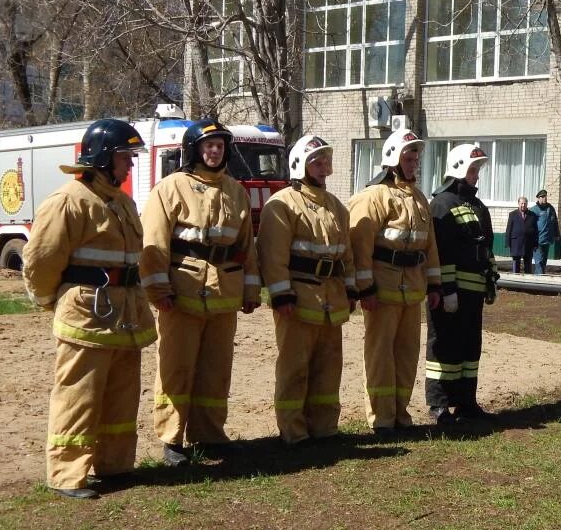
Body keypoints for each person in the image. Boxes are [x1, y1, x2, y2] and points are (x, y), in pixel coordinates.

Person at [23, 119, 158, 499]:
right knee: (78, 397)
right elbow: (41, 260)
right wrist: (52, 301)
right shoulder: (69, 200)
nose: (130, 166)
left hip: (124, 316)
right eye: (124, 157)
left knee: (121, 395)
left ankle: (114, 466)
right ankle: (67, 474)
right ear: (101, 158)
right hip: (86, 315)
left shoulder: (122, 201)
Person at [140, 119, 260, 466]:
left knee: (216, 369)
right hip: (182, 295)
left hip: (224, 296)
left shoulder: (235, 190)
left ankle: (209, 434)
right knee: (176, 368)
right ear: (194, 150)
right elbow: (155, 244)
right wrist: (158, 289)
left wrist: (251, 289)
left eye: (220, 146)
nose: (214, 151)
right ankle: (172, 440)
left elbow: (246, 247)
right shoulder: (171, 188)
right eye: (208, 146)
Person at [257, 135, 356, 446]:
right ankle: (294, 432)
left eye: (326, 160)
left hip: (331, 301)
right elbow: (273, 256)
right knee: (294, 369)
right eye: (317, 160)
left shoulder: (337, 206)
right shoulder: (281, 204)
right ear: (300, 164)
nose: (323, 166)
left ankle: (325, 429)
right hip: (298, 302)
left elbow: (347, 255)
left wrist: (351, 290)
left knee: (329, 369)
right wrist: (281, 294)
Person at [348, 129, 442, 434]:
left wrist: (435, 285)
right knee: (380, 357)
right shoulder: (373, 197)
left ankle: (401, 414)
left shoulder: (418, 198)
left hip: (411, 292)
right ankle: (381, 419)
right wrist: (366, 288)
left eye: (416, 157)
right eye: (408, 157)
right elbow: (359, 247)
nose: (414, 162)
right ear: (392, 160)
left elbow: (430, 248)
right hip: (382, 292)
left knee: (405, 357)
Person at [426, 143, 499, 426]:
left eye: (478, 169)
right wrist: (447, 289)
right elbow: (440, 251)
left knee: (470, 347)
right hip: (451, 292)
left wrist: (490, 281)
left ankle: (466, 402)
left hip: (474, 292)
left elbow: (487, 247)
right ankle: (439, 404)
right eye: (472, 170)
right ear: (457, 169)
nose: (476, 175)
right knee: (444, 346)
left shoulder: (477, 206)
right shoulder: (442, 204)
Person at [529, 188, 560, 275]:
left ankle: (540, 277)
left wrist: (557, 234)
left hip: (547, 239)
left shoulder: (550, 208)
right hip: (537, 240)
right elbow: (530, 225)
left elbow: (555, 222)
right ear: (538, 198)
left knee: (543, 261)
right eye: (542, 197)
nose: (544, 198)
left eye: (545, 197)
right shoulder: (534, 210)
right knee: (538, 261)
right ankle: (539, 279)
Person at [505, 196, 538, 273]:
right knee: (516, 263)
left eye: (525, 203)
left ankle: (527, 280)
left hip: (528, 243)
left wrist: (535, 243)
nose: (523, 205)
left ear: (527, 204)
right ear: (518, 204)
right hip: (516, 242)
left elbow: (535, 230)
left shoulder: (532, 215)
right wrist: (507, 243)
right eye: (521, 203)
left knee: (528, 263)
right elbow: (509, 229)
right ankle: (515, 278)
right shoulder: (512, 214)